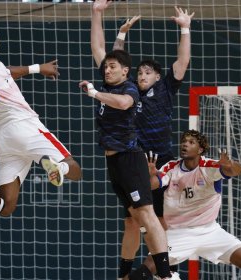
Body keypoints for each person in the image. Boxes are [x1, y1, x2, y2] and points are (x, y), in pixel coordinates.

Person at [93, 3, 194, 278]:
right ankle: (127, 273)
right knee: (131, 221)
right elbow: (113, 63)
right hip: (134, 156)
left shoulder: (164, 87)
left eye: (147, 72)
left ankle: (165, 271)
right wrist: (121, 34)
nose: (142, 75)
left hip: (160, 161)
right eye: (139, 72)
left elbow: (181, 62)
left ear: (158, 76)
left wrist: (185, 29)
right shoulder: (128, 89)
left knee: (157, 219)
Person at [0, 30, 82, 217]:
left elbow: (11, 71)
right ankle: (58, 167)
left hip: (4, 139)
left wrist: (38, 68)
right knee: (74, 169)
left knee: (5, 207)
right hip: (26, 126)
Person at [129, 129, 241, 280]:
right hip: (177, 233)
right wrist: (151, 175)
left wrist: (230, 165)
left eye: (191, 142)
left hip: (210, 231)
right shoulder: (171, 168)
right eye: (184, 141)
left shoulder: (209, 167)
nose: (185, 144)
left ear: (200, 149)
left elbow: (236, 171)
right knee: (145, 271)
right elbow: (152, 185)